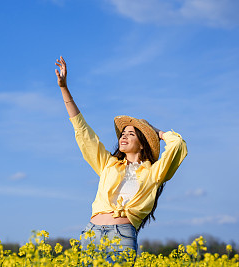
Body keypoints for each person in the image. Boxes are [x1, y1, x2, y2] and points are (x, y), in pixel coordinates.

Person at [55, 56, 188, 264]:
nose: (123, 136)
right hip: (91, 234)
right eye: (122, 133)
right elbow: (82, 130)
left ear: (142, 143)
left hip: (123, 236)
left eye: (131, 134)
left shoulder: (154, 173)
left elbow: (178, 145)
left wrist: (157, 132)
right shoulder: (108, 164)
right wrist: (64, 88)